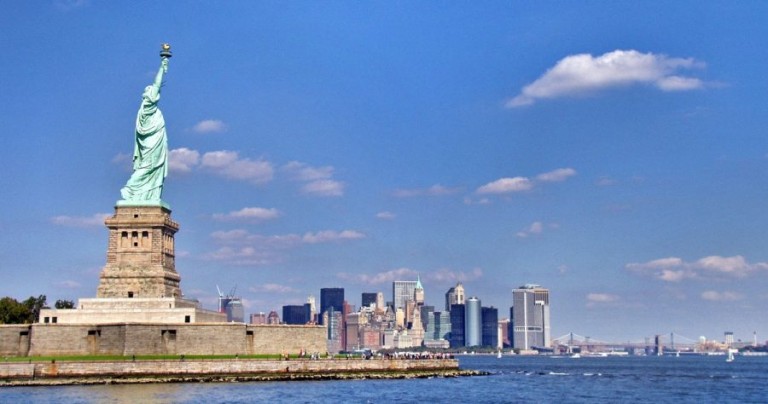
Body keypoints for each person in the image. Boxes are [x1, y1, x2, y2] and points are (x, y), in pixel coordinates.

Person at [120, 57, 170, 202]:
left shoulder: (147, 110)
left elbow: (156, 86)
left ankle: (147, 195)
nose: (154, 92)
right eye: (150, 91)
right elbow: (157, 84)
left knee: (152, 168)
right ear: (148, 96)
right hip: (152, 144)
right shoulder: (148, 107)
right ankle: (130, 188)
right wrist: (162, 68)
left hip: (153, 142)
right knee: (148, 166)